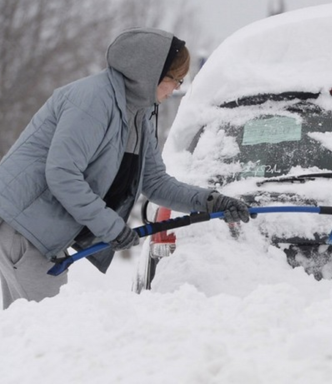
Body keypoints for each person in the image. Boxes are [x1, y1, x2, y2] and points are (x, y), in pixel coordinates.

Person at [0, 27, 250, 309]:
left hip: (36, 231)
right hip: (23, 228)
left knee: (23, 328)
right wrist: (111, 227)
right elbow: (62, 174)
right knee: (39, 329)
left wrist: (211, 201)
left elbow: (155, 183)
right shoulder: (94, 101)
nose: (178, 87)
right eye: (175, 78)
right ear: (150, 72)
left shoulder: (137, 116)